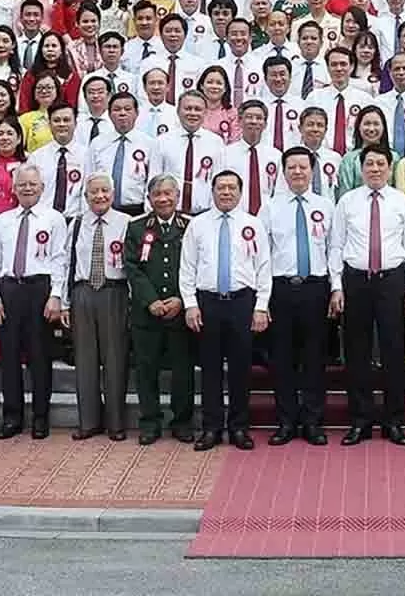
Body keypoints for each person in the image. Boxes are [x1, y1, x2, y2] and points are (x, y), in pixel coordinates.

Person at [332, 144, 405, 445]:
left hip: (392, 281)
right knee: (357, 353)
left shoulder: (402, 202)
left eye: (381, 164)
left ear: (390, 168)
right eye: (369, 164)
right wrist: (336, 286)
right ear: (361, 168)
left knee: (393, 352)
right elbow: (336, 246)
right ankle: (360, 420)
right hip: (356, 281)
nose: (375, 169)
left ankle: (394, 421)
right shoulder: (347, 202)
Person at [182, 170, 271, 450]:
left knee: (240, 368)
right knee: (209, 368)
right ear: (213, 191)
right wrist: (190, 304)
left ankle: (239, 427)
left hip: (242, 302)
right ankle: (211, 428)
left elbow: (264, 268)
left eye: (232, 188)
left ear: (240, 192)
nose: (226, 192)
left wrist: (261, 307)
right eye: (221, 187)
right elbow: (187, 268)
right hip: (207, 302)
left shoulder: (253, 224)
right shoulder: (197, 225)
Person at [265, 147, 338, 445]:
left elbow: (335, 249)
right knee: (281, 358)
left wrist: (336, 288)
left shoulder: (326, 205)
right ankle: (286, 421)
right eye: (291, 167)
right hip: (280, 288)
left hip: (316, 288)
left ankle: (312, 421)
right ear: (284, 173)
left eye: (303, 167)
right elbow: (261, 254)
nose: (297, 172)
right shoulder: (270, 208)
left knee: (314, 357)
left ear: (312, 171)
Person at [0, 163, 68, 439]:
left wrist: (56, 295)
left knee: (40, 356)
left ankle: (40, 416)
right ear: (14, 188)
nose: (27, 188)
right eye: (22, 184)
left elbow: (60, 259)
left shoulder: (54, 219)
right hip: (9, 289)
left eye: (32, 184)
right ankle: (12, 416)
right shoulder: (2, 221)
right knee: (9, 357)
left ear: (42, 188)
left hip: (39, 289)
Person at [125, 174, 196, 445]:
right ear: (149, 198)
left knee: (182, 370)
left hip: (180, 311)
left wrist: (181, 299)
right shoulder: (137, 228)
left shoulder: (190, 226)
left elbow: (196, 266)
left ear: (177, 196)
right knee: (146, 369)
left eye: (169, 193)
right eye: (157, 194)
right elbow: (132, 267)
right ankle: (150, 422)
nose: (163, 199)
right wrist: (150, 300)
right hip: (147, 312)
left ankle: (182, 421)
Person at [67, 174, 134, 440]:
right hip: (83, 292)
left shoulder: (126, 222)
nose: (100, 196)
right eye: (93, 191)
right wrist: (64, 299)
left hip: (114, 292)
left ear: (113, 194)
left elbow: (131, 264)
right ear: (85, 196)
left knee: (115, 358)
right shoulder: (77, 223)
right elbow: (66, 262)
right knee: (85, 360)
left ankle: (116, 423)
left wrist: (131, 300)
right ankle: (89, 421)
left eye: (105, 190)